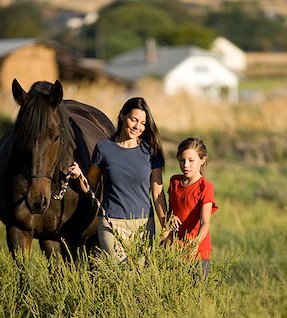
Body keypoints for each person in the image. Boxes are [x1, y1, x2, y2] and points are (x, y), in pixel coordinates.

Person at [69, 97, 167, 262]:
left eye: (143, 123)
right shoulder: (104, 148)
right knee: (122, 273)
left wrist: (165, 227)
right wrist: (80, 176)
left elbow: (158, 194)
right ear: (122, 116)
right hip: (112, 223)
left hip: (144, 225)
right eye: (133, 120)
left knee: (140, 276)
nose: (137, 127)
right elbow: (90, 187)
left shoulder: (151, 151)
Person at [161, 137, 218, 280]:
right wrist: (170, 217)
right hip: (175, 250)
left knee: (194, 295)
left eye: (191, 160)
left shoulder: (205, 187)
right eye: (182, 160)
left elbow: (205, 222)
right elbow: (171, 211)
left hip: (198, 253)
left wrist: (195, 245)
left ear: (202, 160)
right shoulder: (174, 181)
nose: (186, 165)